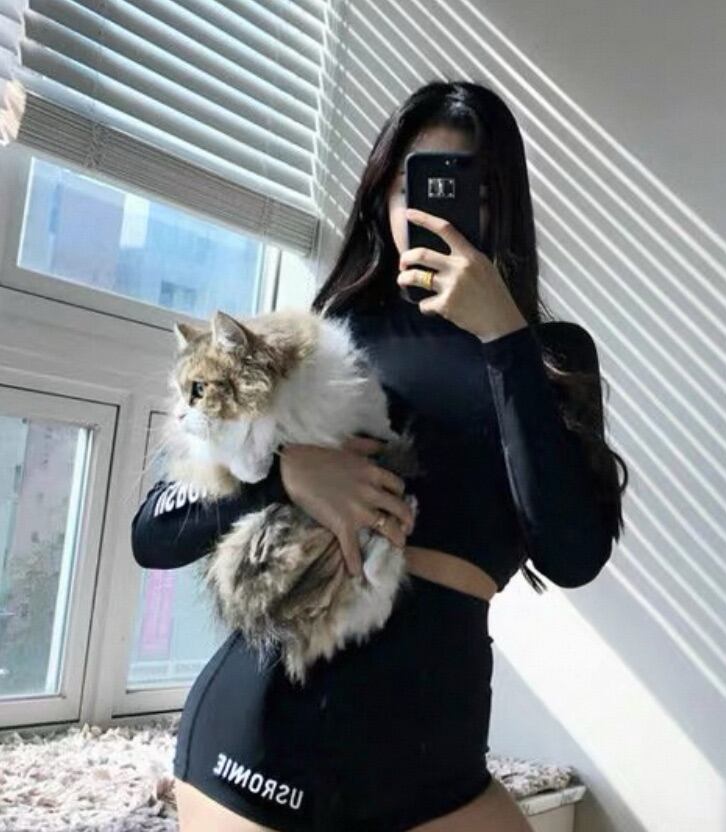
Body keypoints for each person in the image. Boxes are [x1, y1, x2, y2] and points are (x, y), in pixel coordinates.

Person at [131, 80, 628, 832]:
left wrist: (504, 338)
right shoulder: (333, 336)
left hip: (435, 762)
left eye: (466, 188)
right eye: (410, 185)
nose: (432, 211)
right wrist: (283, 473)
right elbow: (155, 529)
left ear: (502, 205)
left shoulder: (549, 357)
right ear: (381, 199)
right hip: (267, 740)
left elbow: (573, 553)